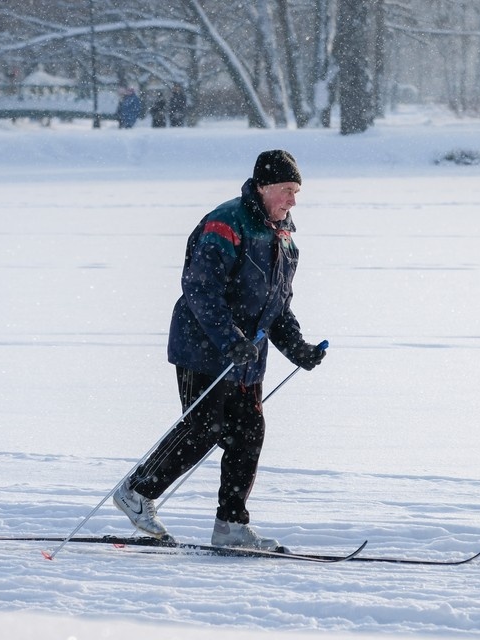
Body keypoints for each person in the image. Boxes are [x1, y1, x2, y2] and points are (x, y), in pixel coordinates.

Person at [114, 150, 326, 550]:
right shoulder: (225, 223)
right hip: (204, 346)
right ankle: (137, 492)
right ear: (262, 187)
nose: (293, 201)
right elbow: (200, 290)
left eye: (297, 192)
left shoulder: (285, 240)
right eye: (286, 191)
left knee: (249, 434)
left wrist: (300, 350)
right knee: (202, 428)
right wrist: (230, 340)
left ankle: (230, 526)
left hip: (247, 356)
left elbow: (277, 306)